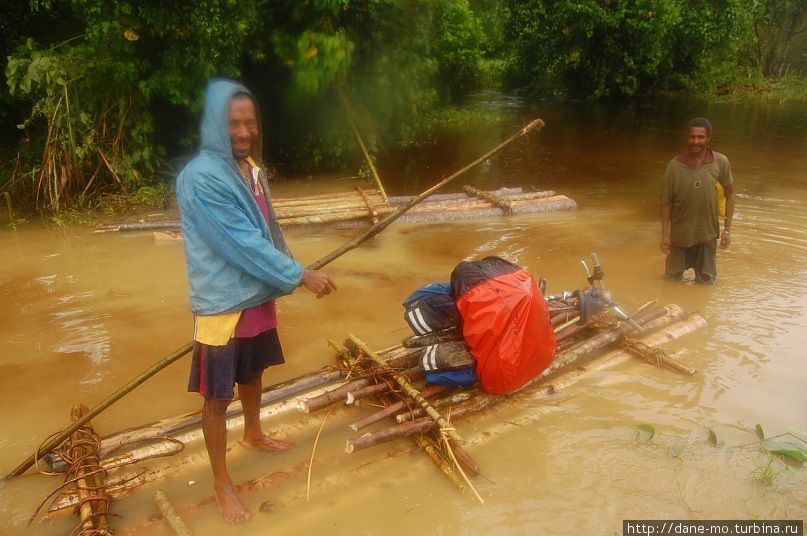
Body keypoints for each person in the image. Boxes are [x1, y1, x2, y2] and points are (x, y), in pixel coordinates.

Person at [176, 79, 337, 523]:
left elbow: (270, 231)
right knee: (215, 396)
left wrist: (285, 271)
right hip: (222, 303)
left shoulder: (250, 168)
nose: (243, 131)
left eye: (249, 123)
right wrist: (298, 274)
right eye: (232, 123)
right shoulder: (201, 178)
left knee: (255, 370)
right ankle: (221, 483)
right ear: (214, 124)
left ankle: (253, 433)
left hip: (258, 293)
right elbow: (241, 243)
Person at [660, 117, 735, 284]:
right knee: (670, 283)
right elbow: (666, 203)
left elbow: (730, 194)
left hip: (707, 236)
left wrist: (727, 230)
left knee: (706, 285)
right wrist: (665, 235)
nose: (696, 141)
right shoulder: (674, 166)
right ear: (687, 138)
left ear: (708, 138)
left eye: (700, 137)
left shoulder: (720, 162)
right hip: (679, 237)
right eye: (692, 137)